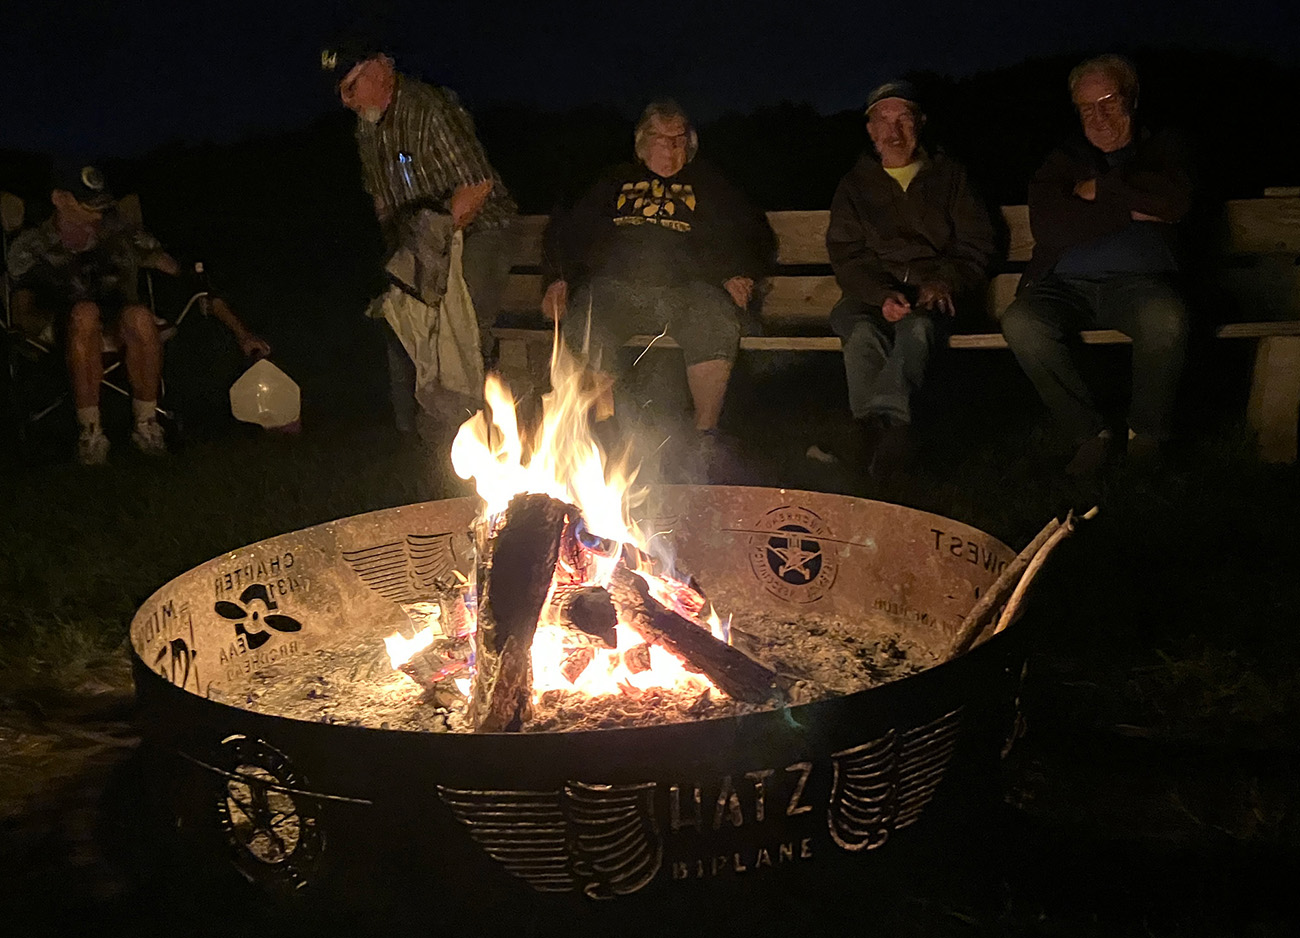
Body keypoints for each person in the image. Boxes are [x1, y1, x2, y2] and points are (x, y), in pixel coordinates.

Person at [540, 100, 773, 455]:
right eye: (661, 139)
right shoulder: (613, 181)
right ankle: (606, 433)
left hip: (688, 291)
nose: (670, 148)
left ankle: (705, 438)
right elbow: (569, 231)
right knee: (588, 321)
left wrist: (738, 272)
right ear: (642, 143)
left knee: (714, 319)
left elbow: (751, 232)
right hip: (615, 290)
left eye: (678, 140)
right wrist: (557, 279)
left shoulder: (709, 184)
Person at [1000, 55, 1193, 476]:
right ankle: (1089, 434)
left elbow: (1176, 202)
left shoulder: (1163, 148)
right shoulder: (1062, 160)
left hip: (1142, 284)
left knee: (1167, 318)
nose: (1099, 116)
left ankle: (1147, 435)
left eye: (1108, 101)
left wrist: (1095, 191)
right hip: (1064, 286)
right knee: (1021, 322)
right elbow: (1049, 225)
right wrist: (1131, 208)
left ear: (1132, 99)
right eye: (1087, 107)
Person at [6, 166, 268, 465]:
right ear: (60, 199)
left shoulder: (121, 235)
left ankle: (147, 425)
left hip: (121, 326)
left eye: (102, 205)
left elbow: (193, 280)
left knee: (139, 315)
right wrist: (38, 333)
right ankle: (90, 432)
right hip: (59, 329)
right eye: (89, 206)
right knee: (84, 313)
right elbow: (22, 310)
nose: (99, 214)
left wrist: (242, 333)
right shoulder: (32, 245)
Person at [321, 40, 517, 437]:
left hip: (477, 230)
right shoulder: (367, 127)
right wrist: (402, 257)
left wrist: (434, 244)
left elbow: (477, 185)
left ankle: (473, 428)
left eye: (351, 87)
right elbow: (381, 198)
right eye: (341, 92)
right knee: (400, 317)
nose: (347, 102)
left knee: (463, 320)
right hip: (417, 245)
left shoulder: (428, 108)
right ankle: (419, 436)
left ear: (379, 70)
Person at [825, 80, 995, 480]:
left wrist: (944, 280)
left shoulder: (950, 176)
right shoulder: (854, 185)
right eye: (883, 121)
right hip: (870, 293)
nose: (894, 131)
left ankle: (886, 433)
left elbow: (977, 242)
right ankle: (876, 433)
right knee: (860, 330)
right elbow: (847, 254)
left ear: (920, 123)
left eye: (903, 119)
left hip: (932, 289)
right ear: (871, 130)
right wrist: (881, 293)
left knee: (918, 327)